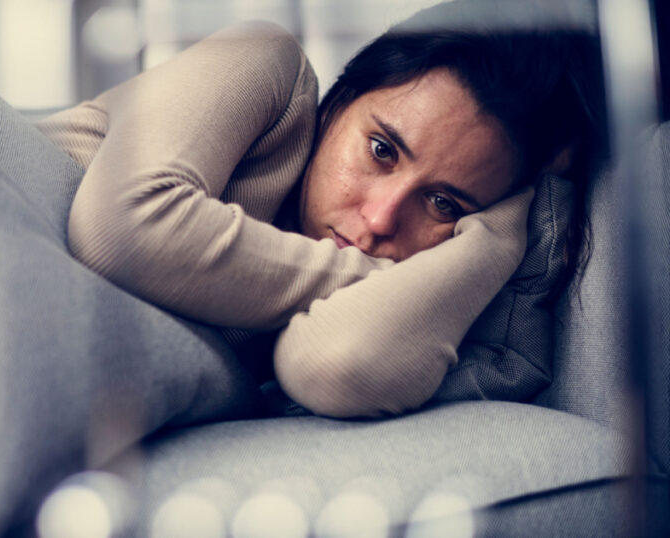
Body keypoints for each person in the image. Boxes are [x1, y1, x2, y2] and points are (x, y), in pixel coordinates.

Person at [36, 1, 603, 418]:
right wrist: (380, 279)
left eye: (442, 203)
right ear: (337, 106)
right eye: (381, 151)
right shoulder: (263, 62)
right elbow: (123, 229)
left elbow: (338, 364)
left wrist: (503, 231)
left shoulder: (349, 309)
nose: (380, 219)